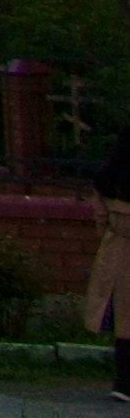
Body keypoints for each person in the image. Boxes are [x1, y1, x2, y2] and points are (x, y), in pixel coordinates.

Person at [91, 125, 130, 401]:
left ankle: (123, 383)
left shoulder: (108, 179)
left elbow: (100, 220)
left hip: (118, 251)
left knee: (124, 323)